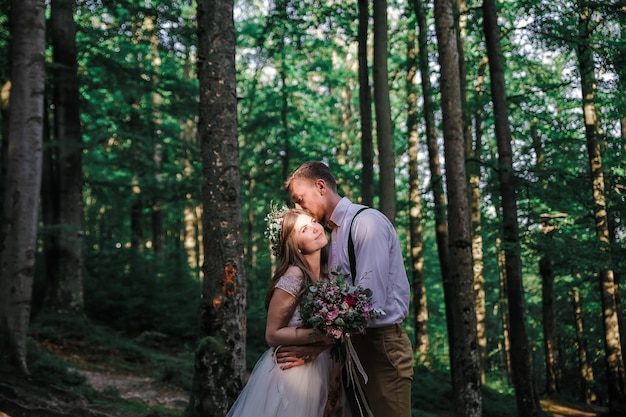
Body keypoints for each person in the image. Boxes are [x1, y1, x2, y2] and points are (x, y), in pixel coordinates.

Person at [277, 161, 414, 417]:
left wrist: (317, 347)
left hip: (381, 347)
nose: (297, 208)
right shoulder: (333, 236)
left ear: (320, 186)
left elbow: (368, 304)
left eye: (299, 199)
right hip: (349, 349)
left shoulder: (367, 224)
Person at [226, 207, 344, 417]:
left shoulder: (330, 279)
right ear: (295, 246)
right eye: (304, 230)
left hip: (324, 369)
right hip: (294, 375)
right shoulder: (295, 276)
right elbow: (272, 334)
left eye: (313, 222)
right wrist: (323, 335)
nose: (315, 229)